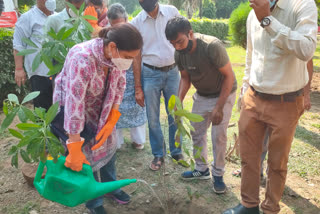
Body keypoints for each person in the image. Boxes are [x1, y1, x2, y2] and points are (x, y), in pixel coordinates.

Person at [223, 0, 317, 213]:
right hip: (253, 99)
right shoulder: (251, 15)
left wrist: (267, 20)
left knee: (277, 163)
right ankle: (249, 205)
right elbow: (251, 57)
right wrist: (245, 90)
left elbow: (307, 49)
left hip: (286, 102)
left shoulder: (301, 5)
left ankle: (270, 208)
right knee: (248, 158)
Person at [52, 23, 143, 214]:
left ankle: (111, 188)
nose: (129, 62)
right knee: (87, 156)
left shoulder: (117, 58)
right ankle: (94, 202)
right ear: (112, 47)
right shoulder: (82, 58)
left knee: (108, 148)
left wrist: (112, 119)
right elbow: (74, 104)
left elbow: (119, 87)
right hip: (74, 110)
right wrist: (74, 146)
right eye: (128, 57)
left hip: (101, 106)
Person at [165, 16, 237, 194]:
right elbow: (185, 78)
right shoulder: (178, 53)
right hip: (202, 95)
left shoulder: (212, 46)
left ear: (190, 33)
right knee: (196, 132)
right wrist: (178, 102)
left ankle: (218, 175)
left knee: (218, 135)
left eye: (180, 42)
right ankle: (202, 168)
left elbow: (229, 77)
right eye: (173, 43)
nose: (177, 47)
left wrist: (219, 107)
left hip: (223, 93)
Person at [131, 0, 183, 171]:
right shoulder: (136, 23)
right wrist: (138, 87)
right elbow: (136, 57)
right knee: (152, 118)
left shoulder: (172, 12)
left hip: (173, 71)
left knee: (175, 114)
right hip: (149, 73)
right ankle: (158, 154)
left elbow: (183, 42)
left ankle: (176, 151)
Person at [107, 3, 147, 150]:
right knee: (114, 107)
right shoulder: (108, 34)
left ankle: (138, 140)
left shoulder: (133, 33)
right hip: (114, 77)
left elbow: (136, 59)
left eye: (120, 25)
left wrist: (138, 87)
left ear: (126, 19)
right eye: (114, 26)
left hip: (132, 75)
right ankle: (116, 142)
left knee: (137, 107)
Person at [13, 0, 56, 110]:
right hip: (39, 72)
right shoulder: (28, 18)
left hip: (59, 72)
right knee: (42, 109)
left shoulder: (58, 17)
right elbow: (18, 45)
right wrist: (19, 68)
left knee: (58, 109)